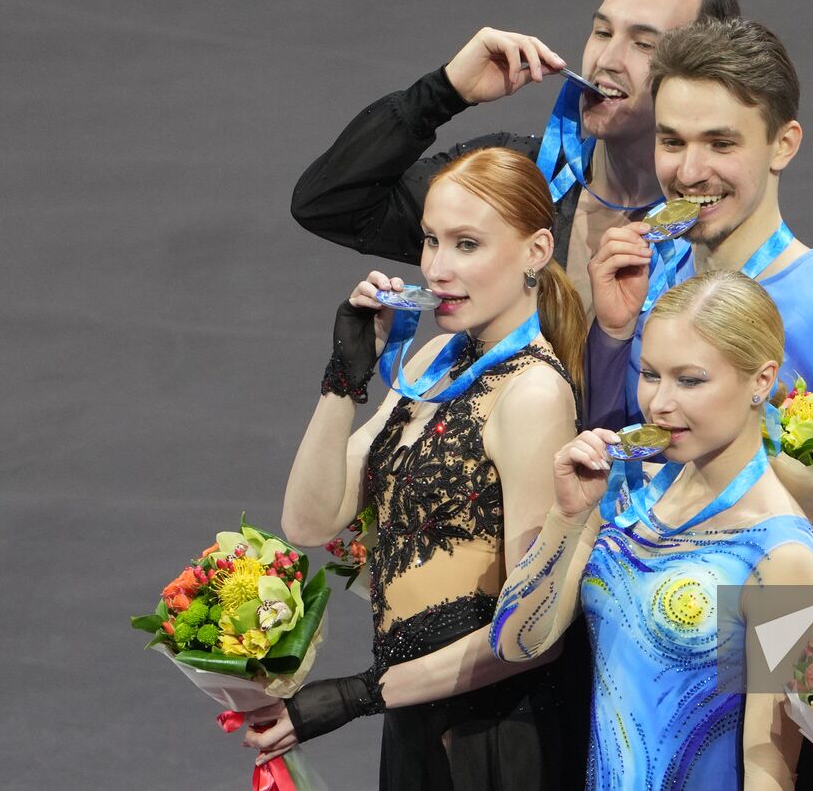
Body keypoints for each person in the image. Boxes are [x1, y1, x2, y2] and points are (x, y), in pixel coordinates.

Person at [244, 148, 589, 789]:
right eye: (431, 241)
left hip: (496, 733)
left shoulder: (533, 393)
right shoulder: (433, 359)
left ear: (536, 251)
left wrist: (358, 694)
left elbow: (532, 629)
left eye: (466, 244)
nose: (437, 268)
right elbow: (307, 520)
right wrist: (343, 380)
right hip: (415, 715)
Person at [490, 269, 813, 789]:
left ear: (762, 381)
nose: (659, 403)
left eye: (689, 380)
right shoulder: (623, 486)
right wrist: (568, 517)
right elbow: (517, 644)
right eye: (650, 374)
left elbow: (773, 764)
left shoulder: (783, 555)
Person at [290, 0, 739, 303]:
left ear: (702, 73)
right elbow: (330, 204)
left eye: (643, 43)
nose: (606, 60)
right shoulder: (511, 185)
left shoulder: (720, 225)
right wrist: (444, 92)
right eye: (602, 33)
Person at [583, 17, 813, 436]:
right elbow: (607, 458)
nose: (691, 172)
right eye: (673, 142)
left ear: (783, 145)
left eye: (721, 144)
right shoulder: (642, 281)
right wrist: (612, 335)